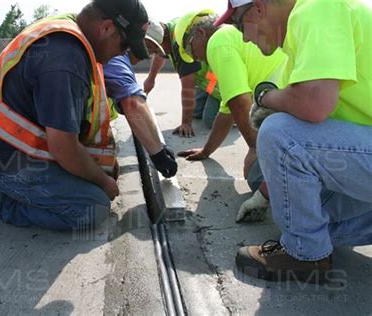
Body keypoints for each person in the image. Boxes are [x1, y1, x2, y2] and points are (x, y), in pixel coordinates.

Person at [217, 0, 372, 283]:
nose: (243, 37)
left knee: (278, 131)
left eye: (240, 24)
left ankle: (306, 254)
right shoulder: (296, 52)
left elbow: (313, 105)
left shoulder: (317, 7)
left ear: (259, 8)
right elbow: (308, 148)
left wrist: (265, 98)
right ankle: (312, 242)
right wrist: (264, 196)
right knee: (306, 215)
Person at [0, 0, 150, 231]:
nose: (122, 54)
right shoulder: (65, 59)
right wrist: (103, 182)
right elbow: (64, 147)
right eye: (124, 46)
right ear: (107, 28)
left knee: (99, 172)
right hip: (5, 159)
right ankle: (0, 197)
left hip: (3, 146)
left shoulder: (69, 30)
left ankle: (9, 185)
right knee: (93, 207)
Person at [174, 10, 286, 222]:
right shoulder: (230, 37)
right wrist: (206, 150)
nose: (196, 59)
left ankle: (306, 200)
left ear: (200, 33)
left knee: (254, 172)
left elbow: (240, 102)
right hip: (286, 103)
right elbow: (228, 110)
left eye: (191, 50)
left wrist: (255, 149)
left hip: (283, 108)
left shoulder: (217, 43)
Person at [103, 21, 178, 178]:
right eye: (148, 47)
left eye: (152, 51)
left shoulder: (114, 52)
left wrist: (159, 144)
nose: (148, 55)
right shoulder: (117, 58)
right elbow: (133, 103)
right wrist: (158, 154)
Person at [143, 11, 222, 137]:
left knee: (211, 120)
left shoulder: (181, 44)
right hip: (207, 82)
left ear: (164, 39)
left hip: (220, 82)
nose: (153, 53)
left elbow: (188, 87)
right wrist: (151, 79)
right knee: (195, 112)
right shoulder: (169, 29)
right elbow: (161, 54)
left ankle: (244, 108)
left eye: (154, 49)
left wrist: (186, 123)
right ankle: (210, 98)